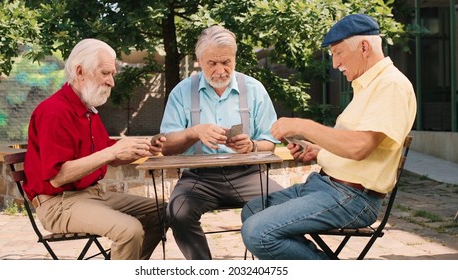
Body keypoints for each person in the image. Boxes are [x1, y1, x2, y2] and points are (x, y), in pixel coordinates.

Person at [241, 14, 417, 259]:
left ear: (364, 47)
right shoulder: (368, 86)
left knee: (257, 231)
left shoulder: (391, 85)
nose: (335, 64)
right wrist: (318, 151)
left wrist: (302, 125)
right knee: (253, 210)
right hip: (326, 186)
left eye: (338, 52)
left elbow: (360, 147)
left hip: (352, 197)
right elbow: (355, 146)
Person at [23, 38, 166, 260]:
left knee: (164, 212)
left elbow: (109, 154)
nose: (112, 82)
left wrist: (143, 148)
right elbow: (58, 177)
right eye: (105, 73)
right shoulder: (53, 111)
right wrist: (111, 152)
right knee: (129, 230)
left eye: (112, 75)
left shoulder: (87, 109)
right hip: (58, 204)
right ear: (80, 71)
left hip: (92, 195)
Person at [159, 25, 284, 260]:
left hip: (248, 174)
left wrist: (253, 146)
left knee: (285, 207)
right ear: (199, 60)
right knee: (178, 212)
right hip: (199, 177)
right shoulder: (182, 92)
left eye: (226, 62)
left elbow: (270, 142)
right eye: (212, 63)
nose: (220, 70)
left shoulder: (254, 89)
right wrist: (194, 132)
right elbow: (166, 146)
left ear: (235, 57)